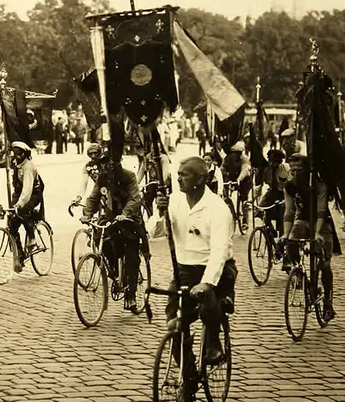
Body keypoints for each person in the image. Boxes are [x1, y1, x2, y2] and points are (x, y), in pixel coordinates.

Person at [152, 156, 237, 366]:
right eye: (178, 174)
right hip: (184, 270)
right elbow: (155, 232)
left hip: (216, 270)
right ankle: (187, 374)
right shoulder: (175, 201)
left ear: (200, 178)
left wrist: (207, 282)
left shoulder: (218, 208)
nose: (179, 179)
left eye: (184, 175)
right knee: (173, 325)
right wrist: (160, 213)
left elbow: (220, 251)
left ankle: (213, 343)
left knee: (207, 299)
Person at [81, 155, 144, 311]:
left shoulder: (129, 176)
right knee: (101, 239)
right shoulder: (103, 178)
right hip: (111, 216)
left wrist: (126, 214)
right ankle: (114, 272)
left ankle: (131, 295)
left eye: (109, 166)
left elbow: (134, 199)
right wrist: (87, 214)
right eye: (103, 166)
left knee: (131, 257)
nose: (106, 170)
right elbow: (93, 197)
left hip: (130, 219)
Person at [281, 153, 335, 320]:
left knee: (325, 264)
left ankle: (328, 302)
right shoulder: (289, 186)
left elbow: (321, 211)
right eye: (292, 170)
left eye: (299, 169)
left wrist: (318, 233)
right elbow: (289, 212)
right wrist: (285, 234)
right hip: (302, 220)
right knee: (290, 242)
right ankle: (300, 274)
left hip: (321, 223)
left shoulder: (318, 185)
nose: (295, 173)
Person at [0, 141, 46, 273]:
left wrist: (19, 205)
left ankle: (32, 238)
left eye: (19, 154)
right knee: (12, 223)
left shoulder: (29, 167)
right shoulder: (13, 162)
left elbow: (27, 190)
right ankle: (19, 255)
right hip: (18, 193)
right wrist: (3, 150)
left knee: (23, 211)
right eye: (14, 153)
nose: (16, 156)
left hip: (33, 193)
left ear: (25, 154)